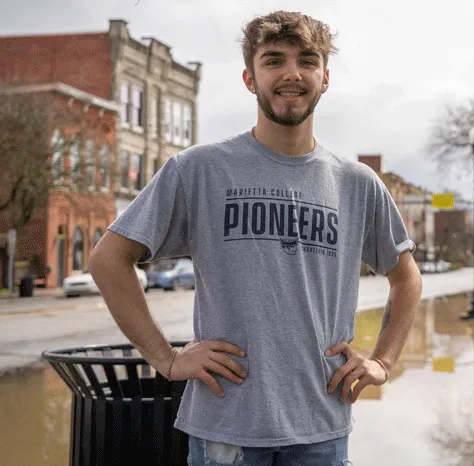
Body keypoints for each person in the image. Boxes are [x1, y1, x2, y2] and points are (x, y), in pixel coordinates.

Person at [88, 10, 423, 466]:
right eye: (274, 60)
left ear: (325, 78)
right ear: (250, 78)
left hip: (321, 427)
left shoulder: (357, 183)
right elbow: (109, 260)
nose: (292, 73)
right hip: (226, 428)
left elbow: (407, 279)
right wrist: (166, 360)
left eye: (307, 61)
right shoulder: (198, 170)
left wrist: (382, 362)